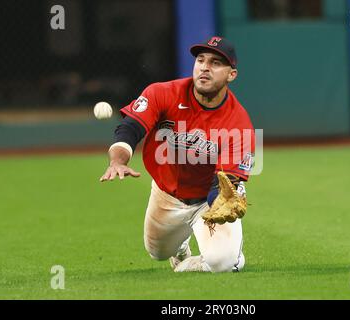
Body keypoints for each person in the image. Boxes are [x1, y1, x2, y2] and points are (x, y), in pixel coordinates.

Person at [100, 36, 255, 272]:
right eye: (200, 60)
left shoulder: (238, 122)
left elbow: (224, 182)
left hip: (205, 201)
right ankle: (181, 246)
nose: (204, 67)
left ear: (231, 75)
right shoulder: (164, 93)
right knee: (158, 253)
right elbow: (130, 128)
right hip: (166, 194)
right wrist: (117, 160)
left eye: (215, 63)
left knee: (221, 262)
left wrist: (221, 202)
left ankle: (229, 258)